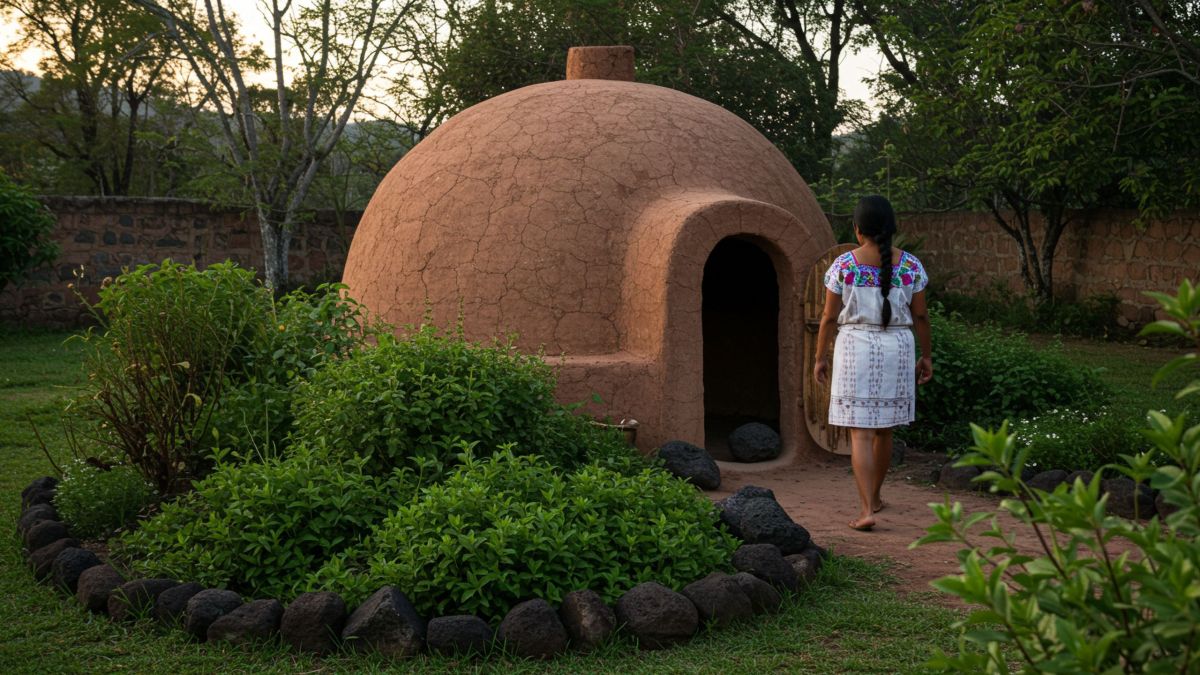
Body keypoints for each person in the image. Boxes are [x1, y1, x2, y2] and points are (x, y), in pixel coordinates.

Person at [813, 195, 933, 531]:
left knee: (860, 433)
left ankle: (866, 508)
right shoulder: (911, 266)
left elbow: (827, 318)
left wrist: (820, 357)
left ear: (857, 228)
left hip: (855, 348)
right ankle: (876, 497)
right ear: (892, 228)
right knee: (884, 429)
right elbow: (921, 315)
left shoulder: (844, 265)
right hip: (898, 346)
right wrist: (927, 356)